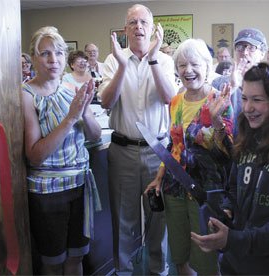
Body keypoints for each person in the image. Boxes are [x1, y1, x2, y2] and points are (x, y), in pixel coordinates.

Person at [191, 62, 269, 275]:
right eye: (244, 98)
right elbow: (234, 188)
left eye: (257, 100)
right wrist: (227, 209)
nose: (248, 107)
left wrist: (233, 239)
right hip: (233, 262)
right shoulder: (247, 136)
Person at [98, 4, 178, 275]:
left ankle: (158, 269)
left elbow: (169, 98)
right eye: (132, 22)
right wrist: (121, 65)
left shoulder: (165, 61)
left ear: (153, 28)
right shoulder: (113, 60)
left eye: (143, 22)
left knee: (159, 217)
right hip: (123, 151)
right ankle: (123, 270)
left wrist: (154, 59)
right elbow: (107, 101)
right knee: (123, 218)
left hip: (157, 152)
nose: (138, 27)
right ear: (125, 30)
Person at [144, 38, 234, 276]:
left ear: (207, 65)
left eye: (194, 64)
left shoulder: (221, 99)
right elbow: (174, 145)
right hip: (175, 188)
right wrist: (159, 177)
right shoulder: (175, 101)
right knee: (180, 254)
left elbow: (230, 152)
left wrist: (216, 123)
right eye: (182, 65)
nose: (188, 70)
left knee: (206, 257)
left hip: (206, 192)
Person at [22, 26, 102, 275]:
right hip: (48, 192)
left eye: (58, 52)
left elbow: (95, 135)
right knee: (53, 262)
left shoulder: (72, 89)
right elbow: (35, 154)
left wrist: (85, 111)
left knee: (76, 258)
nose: (53, 60)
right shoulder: (27, 95)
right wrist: (70, 118)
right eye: (45, 53)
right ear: (34, 58)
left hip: (79, 186)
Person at [212, 28, 267, 136]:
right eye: (240, 47)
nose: (245, 53)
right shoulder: (218, 83)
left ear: (262, 53)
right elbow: (209, 119)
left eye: (251, 48)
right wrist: (232, 88)